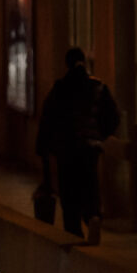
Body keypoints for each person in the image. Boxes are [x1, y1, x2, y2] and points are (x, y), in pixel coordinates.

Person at [37, 47, 120, 246]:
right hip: (89, 149)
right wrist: (99, 135)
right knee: (90, 185)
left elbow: (47, 121)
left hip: (66, 152)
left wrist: (44, 148)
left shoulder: (60, 88)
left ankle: (74, 234)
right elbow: (113, 117)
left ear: (67, 63)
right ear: (85, 62)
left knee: (69, 195)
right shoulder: (98, 87)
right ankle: (92, 216)